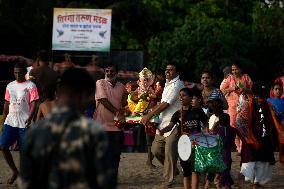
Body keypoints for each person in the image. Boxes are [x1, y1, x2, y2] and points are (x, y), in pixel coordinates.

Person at [19, 68, 116, 189]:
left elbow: (25, 182)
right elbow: (106, 182)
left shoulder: (34, 133)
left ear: (58, 92)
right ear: (86, 94)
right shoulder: (94, 132)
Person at [141, 63, 184, 186]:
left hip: (174, 123)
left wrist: (148, 116)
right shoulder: (167, 84)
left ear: (177, 72)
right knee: (155, 150)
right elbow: (161, 103)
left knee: (169, 152)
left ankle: (168, 180)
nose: (168, 72)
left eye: (171, 70)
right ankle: (173, 170)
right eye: (167, 69)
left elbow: (165, 104)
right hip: (162, 122)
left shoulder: (177, 85)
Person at [160, 88, 208, 189]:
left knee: (195, 169)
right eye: (180, 95)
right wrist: (162, 130)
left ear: (190, 98)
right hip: (184, 144)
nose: (180, 97)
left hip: (197, 144)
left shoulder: (198, 111)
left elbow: (206, 123)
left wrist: (207, 133)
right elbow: (170, 126)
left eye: (183, 95)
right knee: (186, 171)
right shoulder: (178, 113)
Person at [0, 62, 39, 185]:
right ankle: (14, 171)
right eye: (15, 73)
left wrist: (30, 116)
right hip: (11, 121)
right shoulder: (9, 86)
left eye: (20, 73)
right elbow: (7, 103)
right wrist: (4, 120)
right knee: (3, 146)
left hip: (24, 122)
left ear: (25, 73)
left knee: (24, 150)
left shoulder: (31, 85)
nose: (17, 75)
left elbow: (34, 103)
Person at [93, 63, 127, 179]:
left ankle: (112, 177)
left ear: (116, 73)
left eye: (112, 71)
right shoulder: (100, 83)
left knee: (116, 154)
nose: (109, 73)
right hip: (101, 125)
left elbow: (125, 104)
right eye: (107, 71)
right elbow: (103, 100)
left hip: (117, 126)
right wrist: (117, 113)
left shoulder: (122, 86)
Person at [238, 88, 276, 188]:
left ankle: (254, 182)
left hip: (258, 137)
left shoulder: (266, 105)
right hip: (255, 136)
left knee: (256, 159)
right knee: (255, 159)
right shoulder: (249, 104)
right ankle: (253, 181)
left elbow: (271, 120)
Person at [220, 63, 253, 154]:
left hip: (244, 106)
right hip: (233, 106)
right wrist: (232, 88)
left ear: (241, 69)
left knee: (243, 125)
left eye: (236, 69)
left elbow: (252, 90)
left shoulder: (246, 77)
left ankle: (243, 147)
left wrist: (245, 90)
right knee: (233, 125)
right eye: (233, 70)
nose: (234, 71)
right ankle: (238, 147)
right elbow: (222, 90)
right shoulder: (229, 78)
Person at [206, 99, 236, 189]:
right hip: (223, 150)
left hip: (218, 149)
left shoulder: (219, 129)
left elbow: (211, 132)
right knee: (224, 168)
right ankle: (223, 183)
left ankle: (222, 183)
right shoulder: (232, 129)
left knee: (221, 167)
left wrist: (215, 125)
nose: (214, 108)